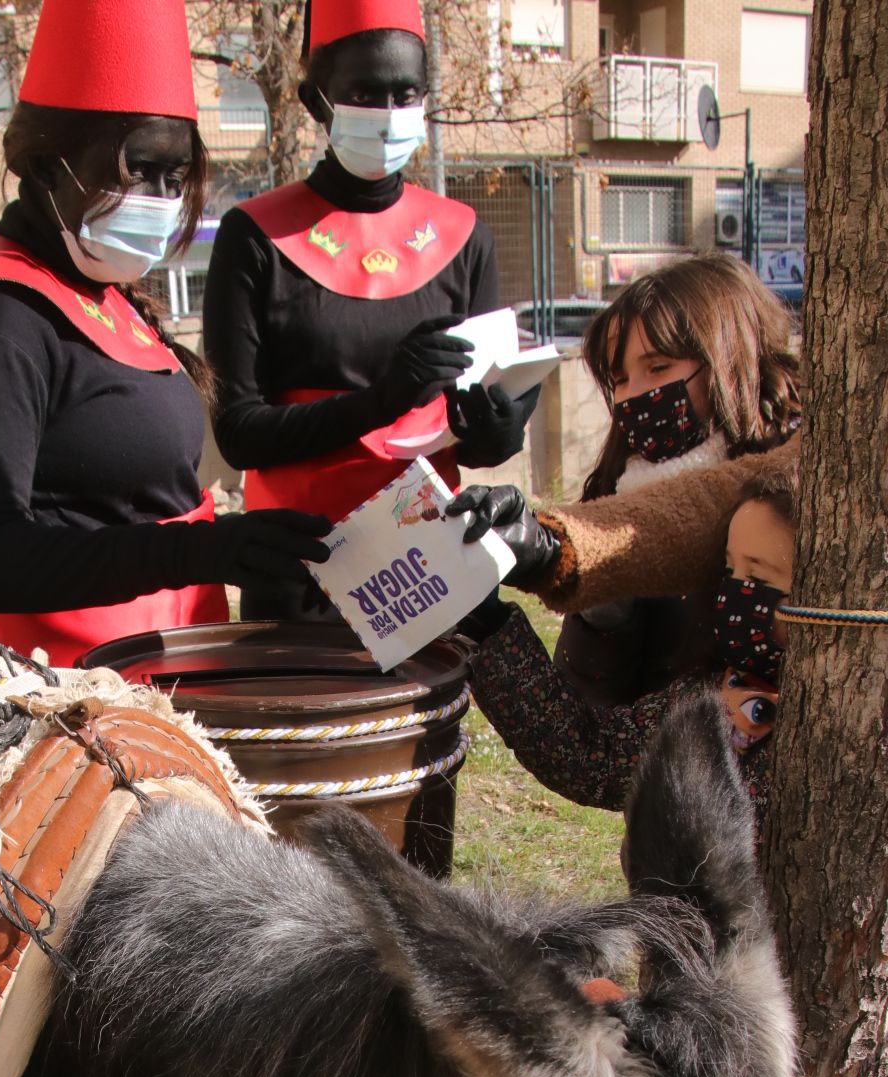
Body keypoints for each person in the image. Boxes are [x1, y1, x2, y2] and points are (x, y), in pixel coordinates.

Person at [0, 0, 331, 666]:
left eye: (176, 175)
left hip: (168, 676)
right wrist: (199, 552)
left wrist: (229, 546)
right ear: (50, 166)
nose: (160, 199)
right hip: (74, 710)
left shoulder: (104, 289)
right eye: (138, 170)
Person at [201, 0, 538, 619]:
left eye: (406, 93)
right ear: (316, 101)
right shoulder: (254, 235)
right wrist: (381, 400)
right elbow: (237, 432)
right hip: (300, 571)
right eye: (364, 91)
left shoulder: (463, 236)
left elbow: (481, 438)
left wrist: (497, 426)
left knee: (435, 718)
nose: (388, 114)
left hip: (429, 568)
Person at [446, 461, 797, 821]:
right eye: (729, 571)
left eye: (755, 575)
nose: (734, 593)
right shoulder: (714, 697)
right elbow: (590, 756)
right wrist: (490, 626)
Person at [549, 252, 801, 707]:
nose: (634, 395)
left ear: (729, 360)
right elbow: (587, 712)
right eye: (620, 378)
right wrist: (602, 617)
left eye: (659, 367)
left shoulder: (782, 491)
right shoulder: (618, 486)